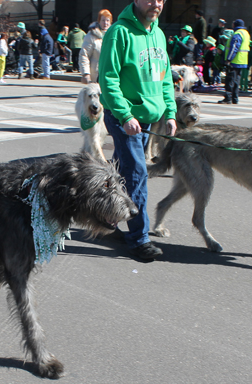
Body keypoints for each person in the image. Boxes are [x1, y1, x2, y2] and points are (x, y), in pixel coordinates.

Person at [99, 0, 177, 261]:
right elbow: (108, 78)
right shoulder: (118, 32)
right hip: (125, 118)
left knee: (120, 171)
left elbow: (165, 77)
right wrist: (125, 115)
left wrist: (170, 112)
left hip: (147, 119)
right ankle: (138, 239)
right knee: (136, 175)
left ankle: (105, 216)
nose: (155, 3)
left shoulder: (158, 33)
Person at [218, 19, 250, 104]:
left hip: (235, 60)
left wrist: (229, 59)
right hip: (242, 60)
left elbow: (234, 48)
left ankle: (228, 98)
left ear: (235, 25)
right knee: (236, 80)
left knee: (230, 80)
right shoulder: (246, 33)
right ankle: (235, 98)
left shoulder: (237, 34)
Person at [79, 9, 112, 83]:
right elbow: (84, 55)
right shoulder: (91, 36)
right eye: (103, 20)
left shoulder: (114, 35)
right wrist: (85, 74)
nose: (105, 23)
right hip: (96, 76)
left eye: (107, 20)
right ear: (99, 21)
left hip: (110, 75)